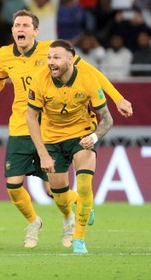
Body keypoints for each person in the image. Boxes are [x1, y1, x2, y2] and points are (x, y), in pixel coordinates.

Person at [0, 10, 133, 248]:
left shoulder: (52, 52)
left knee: (52, 190)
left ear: (35, 31)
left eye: (26, 25)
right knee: (13, 186)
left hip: (47, 127)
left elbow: (91, 72)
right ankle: (35, 221)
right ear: (12, 30)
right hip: (19, 125)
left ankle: (69, 218)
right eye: (17, 25)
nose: (20, 29)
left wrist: (117, 98)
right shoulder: (4, 54)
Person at [26, 40, 114, 254]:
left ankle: (79, 239)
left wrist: (93, 137)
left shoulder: (88, 79)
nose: (50, 62)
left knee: (85, 186)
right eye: (48, 58)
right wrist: (43, 153)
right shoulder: (40, 80)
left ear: (70, 59)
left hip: (81, 136)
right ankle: (80, 204)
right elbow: (31, 117)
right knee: (58, 195)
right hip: (52, 139)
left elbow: (107, 119)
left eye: (56, 57)